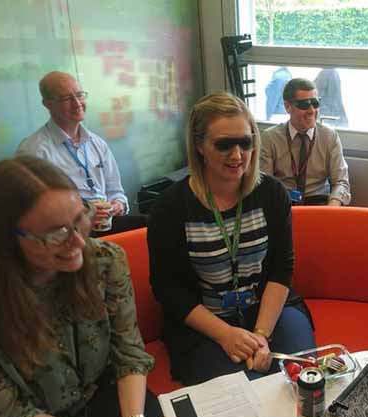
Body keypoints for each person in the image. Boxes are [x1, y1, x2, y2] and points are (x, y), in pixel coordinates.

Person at [0, 156, 162, 417]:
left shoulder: (106, 260)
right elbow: (9, 416)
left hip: (97, 393)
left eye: (80, 219)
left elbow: (128, 354)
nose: (78, 243)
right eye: (56, 233)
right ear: (6, 240)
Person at [147, 92, 315, 386]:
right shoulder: (170, 207)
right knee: (241, 394)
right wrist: (225, 334)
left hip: (268, 309)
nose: (237, 156)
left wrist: (261, 336)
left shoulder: (272, 193)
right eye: (224, 144)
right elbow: (168, 290)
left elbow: (281, 267)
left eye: (245, 142)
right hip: (206, 323)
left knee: (300, 378)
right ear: (199, 145)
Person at [16, 71, 135, 234]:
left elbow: (116, 192)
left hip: (106, 223)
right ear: (48, 104)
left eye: (79, 95)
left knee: (151, 225)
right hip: (69, 232)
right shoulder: (34, 151)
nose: (77, 103)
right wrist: (81, 213)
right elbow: (33, 210)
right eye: (66, 98)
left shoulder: (97, 143)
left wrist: (117, 205)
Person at [260, 78, 351, 206]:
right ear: (287, 106)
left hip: (319, 202)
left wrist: (331, 210)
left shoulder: (329, 136)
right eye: (304, 104)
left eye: (315, 103)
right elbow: (264, 185)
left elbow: (341, 182)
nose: (312, 110)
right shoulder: (270, 138)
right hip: (283, 202)